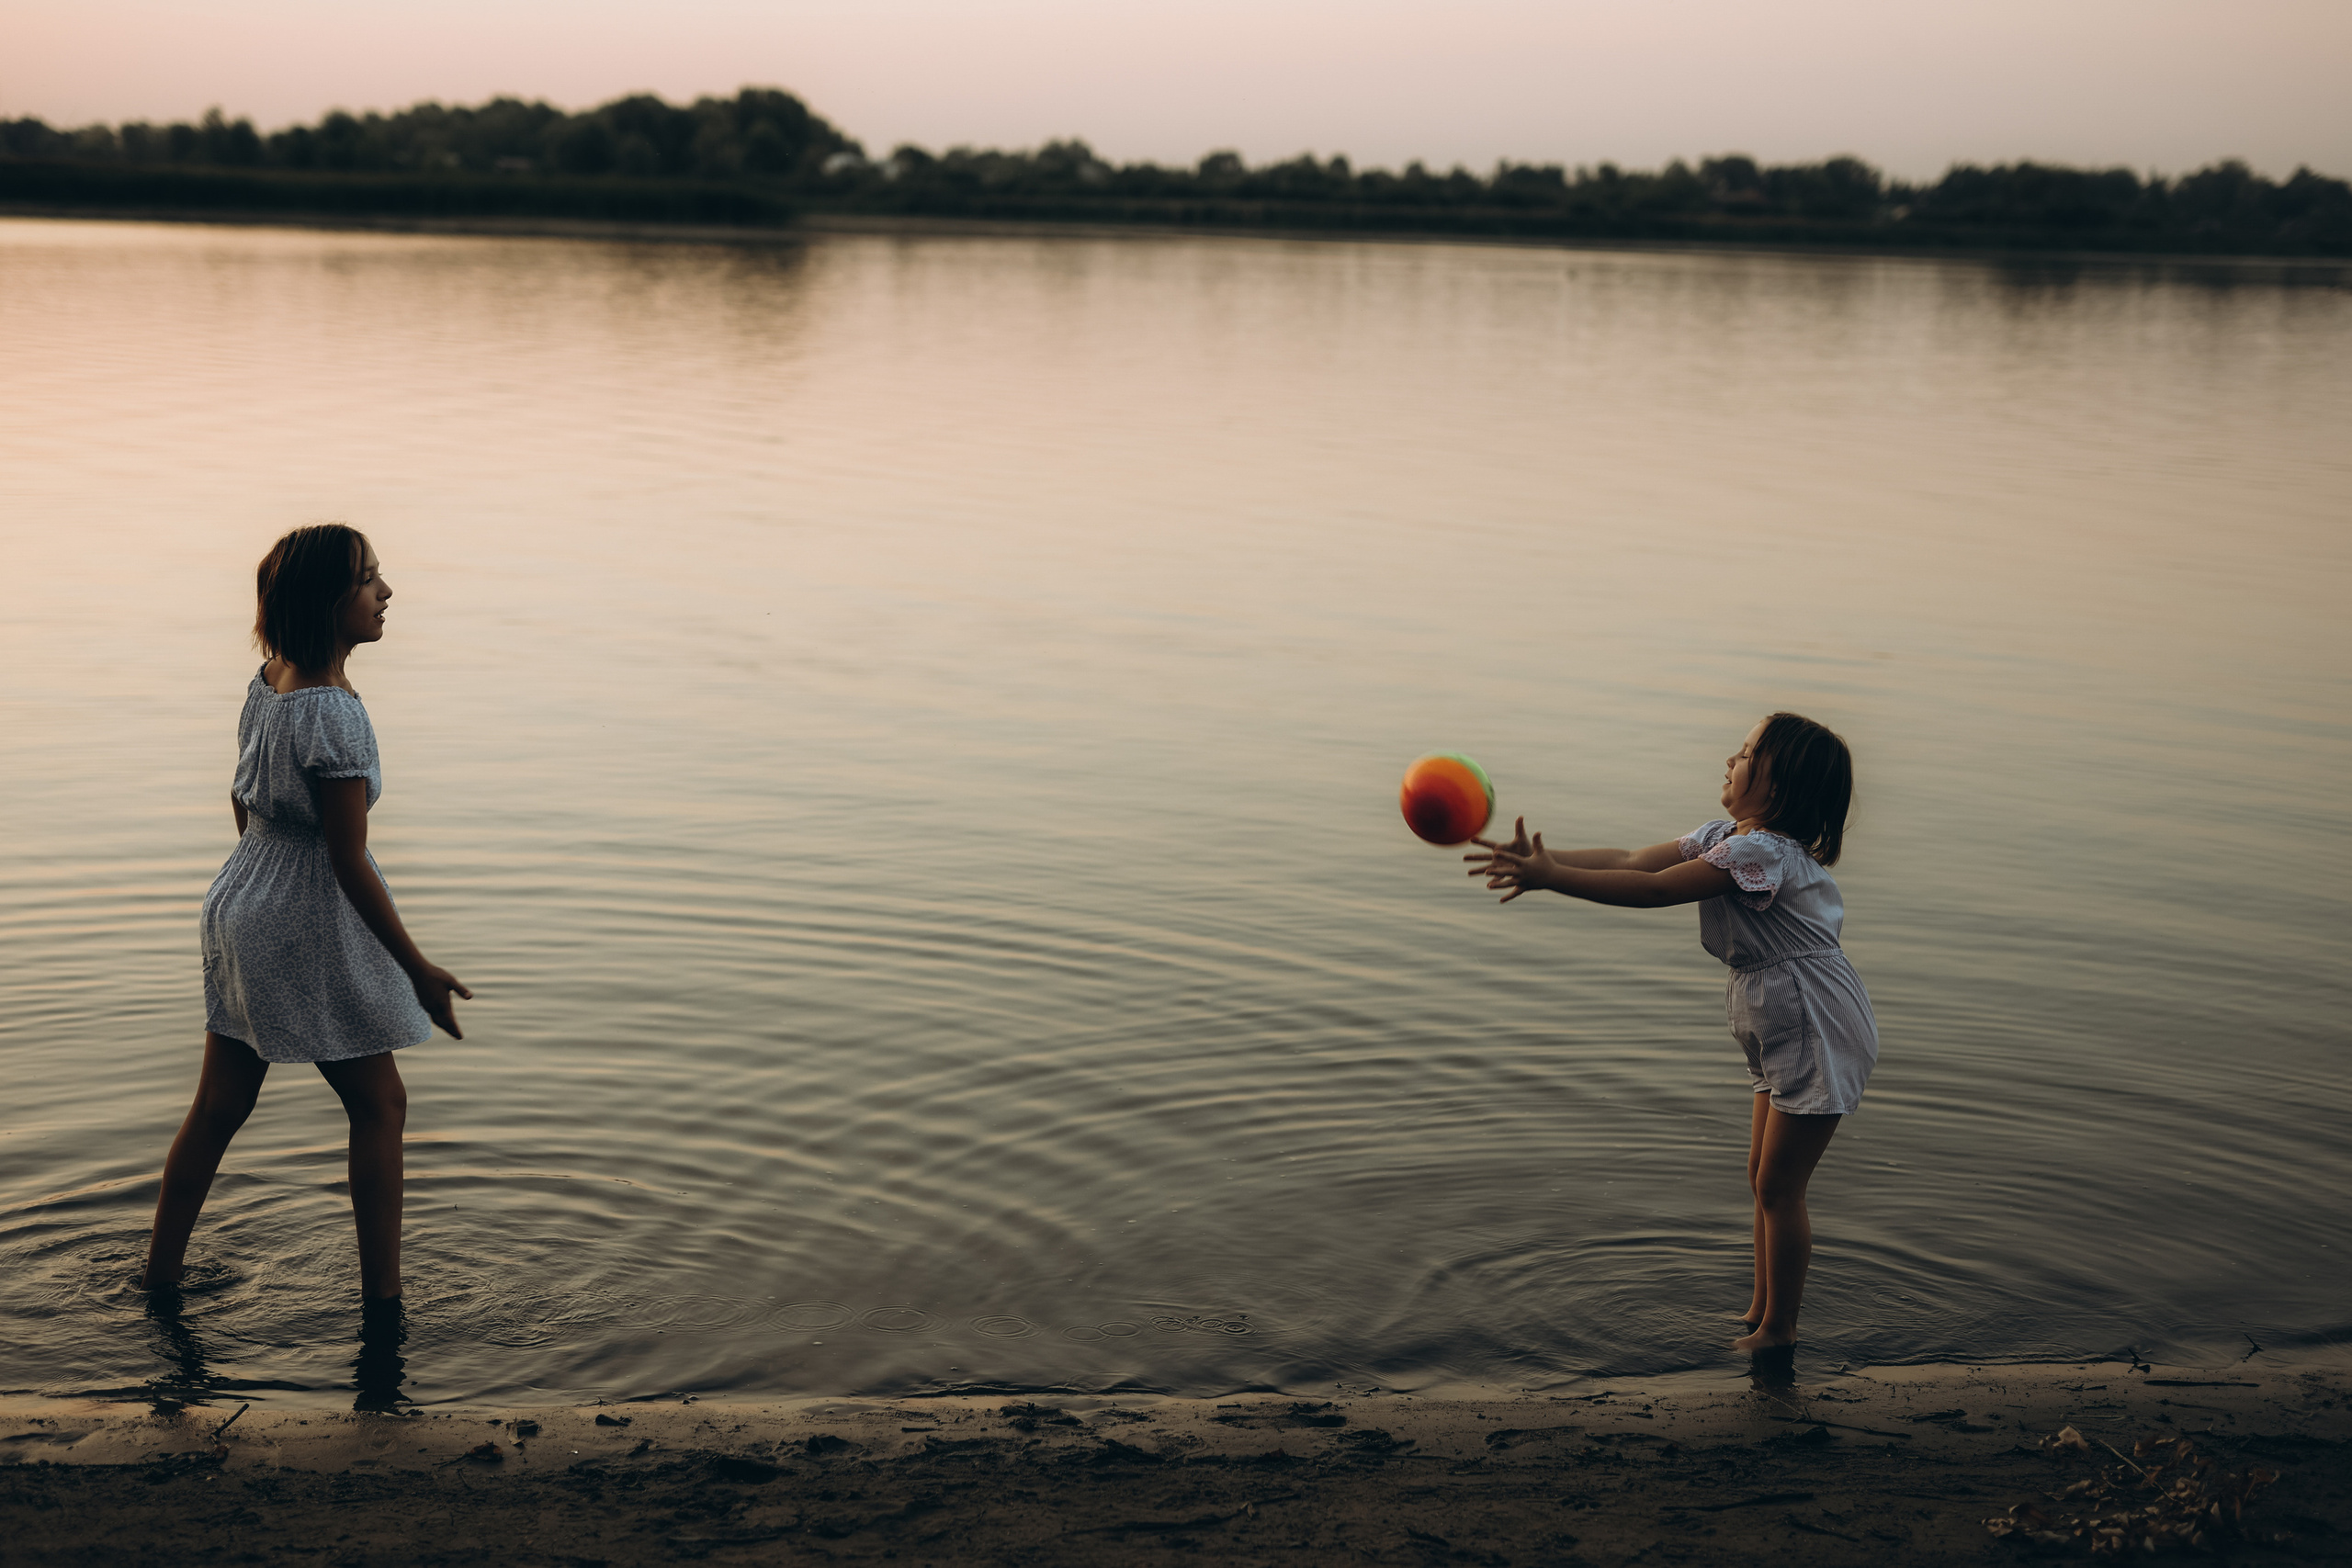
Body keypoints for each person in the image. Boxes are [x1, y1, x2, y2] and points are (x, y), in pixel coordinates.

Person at [1464, 713, 1875, 1356]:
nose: (1729, 758)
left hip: (1815, 1022)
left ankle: (1779, 1330)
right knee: (1760, 1174)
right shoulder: (1727, 836)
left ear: (1778, 786)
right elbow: (1630, 858)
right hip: (1781, 1017)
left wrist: (1553, 880)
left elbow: (1651, 889)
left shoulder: (1759, 852)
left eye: (1745, 753)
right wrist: (1548, 861)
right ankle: (1762, 1308)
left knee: (1780, 1185)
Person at [141, 525, 469, 1303]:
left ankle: (157, 1278)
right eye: (368, 579)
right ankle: (385, 1306)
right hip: (303, 915)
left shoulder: (270, 679)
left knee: (219, 1106)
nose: (386, 592)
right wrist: (417, 969)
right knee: (381, 1102)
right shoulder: (335, 713)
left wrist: (262, 883)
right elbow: (346, 859)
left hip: (239, 897)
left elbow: (241, 793)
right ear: (330, 603)